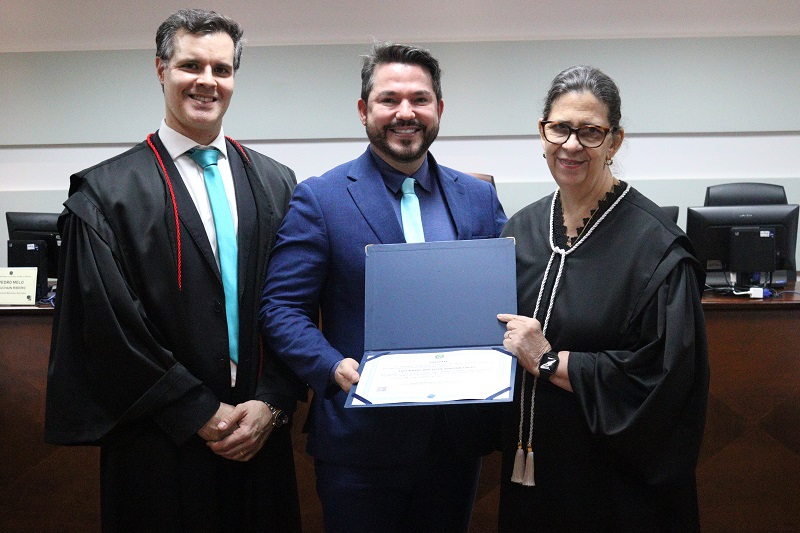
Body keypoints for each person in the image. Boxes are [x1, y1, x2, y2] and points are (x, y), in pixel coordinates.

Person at [44, 9, 303, 532]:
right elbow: (107, 326)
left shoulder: (276, 183)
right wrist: (195, 410)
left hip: (258, 435)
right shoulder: (105, 194)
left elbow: (293, 304)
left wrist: (272, 403)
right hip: (158, 438)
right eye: (191, 65)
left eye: (222, 69)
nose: (208, 82)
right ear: (161, 69)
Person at [260, 42, 507, 532]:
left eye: (420, 99)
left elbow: (504, 296)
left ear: (439, 109)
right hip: (361, 445)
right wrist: (331, 366)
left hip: (455, 443)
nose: (405, 112)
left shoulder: (479, 197)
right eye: (389, 99)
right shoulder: (322, 198)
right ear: (362, 110)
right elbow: (281, 308)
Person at [496, 65, 709, 531]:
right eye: (560, 129)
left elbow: (666, 380)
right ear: (542, 132)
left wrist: (550, 362)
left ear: (614, 141)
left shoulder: (656, 249)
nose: (572, 145)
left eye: (591, 132)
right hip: (533, 475)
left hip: (618, 490)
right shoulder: (520, 231)